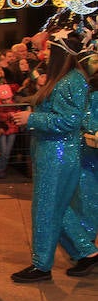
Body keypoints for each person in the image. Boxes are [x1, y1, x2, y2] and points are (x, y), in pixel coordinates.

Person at [10, 16, 91, 282]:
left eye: (50, 50)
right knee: (59, 207)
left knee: (45, 209)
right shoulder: (62, 80)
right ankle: (86, 252)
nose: (46, 54)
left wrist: (31, 118)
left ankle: (41, 265)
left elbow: (70, 120)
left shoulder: (72, 80)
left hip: (59, 155)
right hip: (50, 153)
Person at [59, 46, 98, 277]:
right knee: (83, 198)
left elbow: (79, 118)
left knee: (84, 198)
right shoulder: (81, 87)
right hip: (83, 151)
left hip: (85, 151)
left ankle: (87, 250)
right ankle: (86, 247)